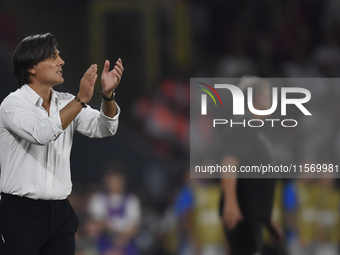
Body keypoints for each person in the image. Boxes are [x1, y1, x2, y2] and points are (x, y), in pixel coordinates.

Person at [0, 32, 124, 255]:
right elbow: (41, 133)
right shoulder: (12, 105)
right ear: (32, 68)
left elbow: (105, 127)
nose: (61, 61)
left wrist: (108, 96)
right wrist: (80, 100)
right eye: (53, 56)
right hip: (20, 214)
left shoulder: (66, 101)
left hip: (60, 212)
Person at [220, 77, 282, 255]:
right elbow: (229, 164)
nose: (272, 101)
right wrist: (231, 204)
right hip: (242, 216)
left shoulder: (255, 130)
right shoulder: (243, 126)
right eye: (268, 96)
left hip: (253, 217)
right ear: (256, 99)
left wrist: (267, 219)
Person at [88, 164, 141, 255]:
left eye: (115, 180)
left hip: (126, 246)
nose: (111, 183)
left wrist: (118, 245)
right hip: (104, 245)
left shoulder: (132, 200)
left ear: (122, 181)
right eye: (109, 180)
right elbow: (98, 223)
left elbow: (134, 226)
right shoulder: (98, 199)